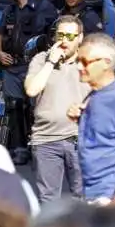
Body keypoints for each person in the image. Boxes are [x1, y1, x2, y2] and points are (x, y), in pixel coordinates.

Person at [0, 0, 58, 166]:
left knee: (36, 108)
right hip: (12, 66)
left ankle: (38, 147)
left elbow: (54, 35)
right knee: (14, 107)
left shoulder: (44, 7)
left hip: (34, 67)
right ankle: (19, 148)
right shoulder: (10, 11)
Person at [24, 15, 90, 203]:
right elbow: (31, 89)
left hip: (80, 140)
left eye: (70, 36)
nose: (64, 41)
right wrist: (51, 62)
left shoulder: (88, 62)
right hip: (46, 140)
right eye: (60, 35)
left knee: (83, 200)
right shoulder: (41, 59)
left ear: (80, 38)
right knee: (48, 201)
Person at [72, 33, 115, 205]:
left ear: (106, 62)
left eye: (85, 61)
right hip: (91, 192)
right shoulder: (94, 94)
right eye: (77, 61)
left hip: (109, 195)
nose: (79, 67)